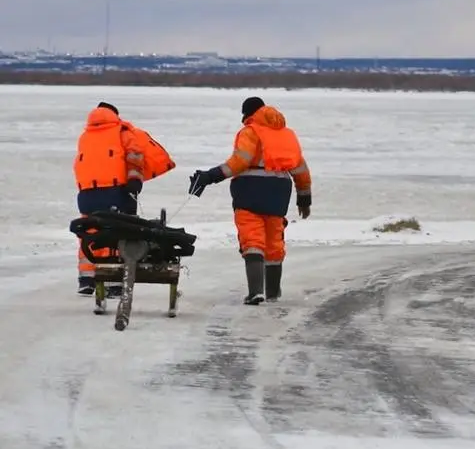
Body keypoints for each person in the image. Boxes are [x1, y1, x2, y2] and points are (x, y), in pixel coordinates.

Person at [189, 97, 311, 305]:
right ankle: (273, 292)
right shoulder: (286, 135)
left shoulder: (251, 131)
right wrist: (304, 198)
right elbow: (300, 168)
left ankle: (255, 292)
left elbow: (240, 162)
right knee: (274, 241)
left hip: (250, 191)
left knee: (252, 238)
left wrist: (210, 176)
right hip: (279, 193)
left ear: (248, 113)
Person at [74, 102, 176, 296]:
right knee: (118, 234)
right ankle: (114, 283)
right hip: (116, 192)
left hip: (87, 194)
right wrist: (135, 180)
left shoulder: (85, 136)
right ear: (114, 115)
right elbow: (135, 156)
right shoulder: (122, 131)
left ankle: (86, 279)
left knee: (89, 233)